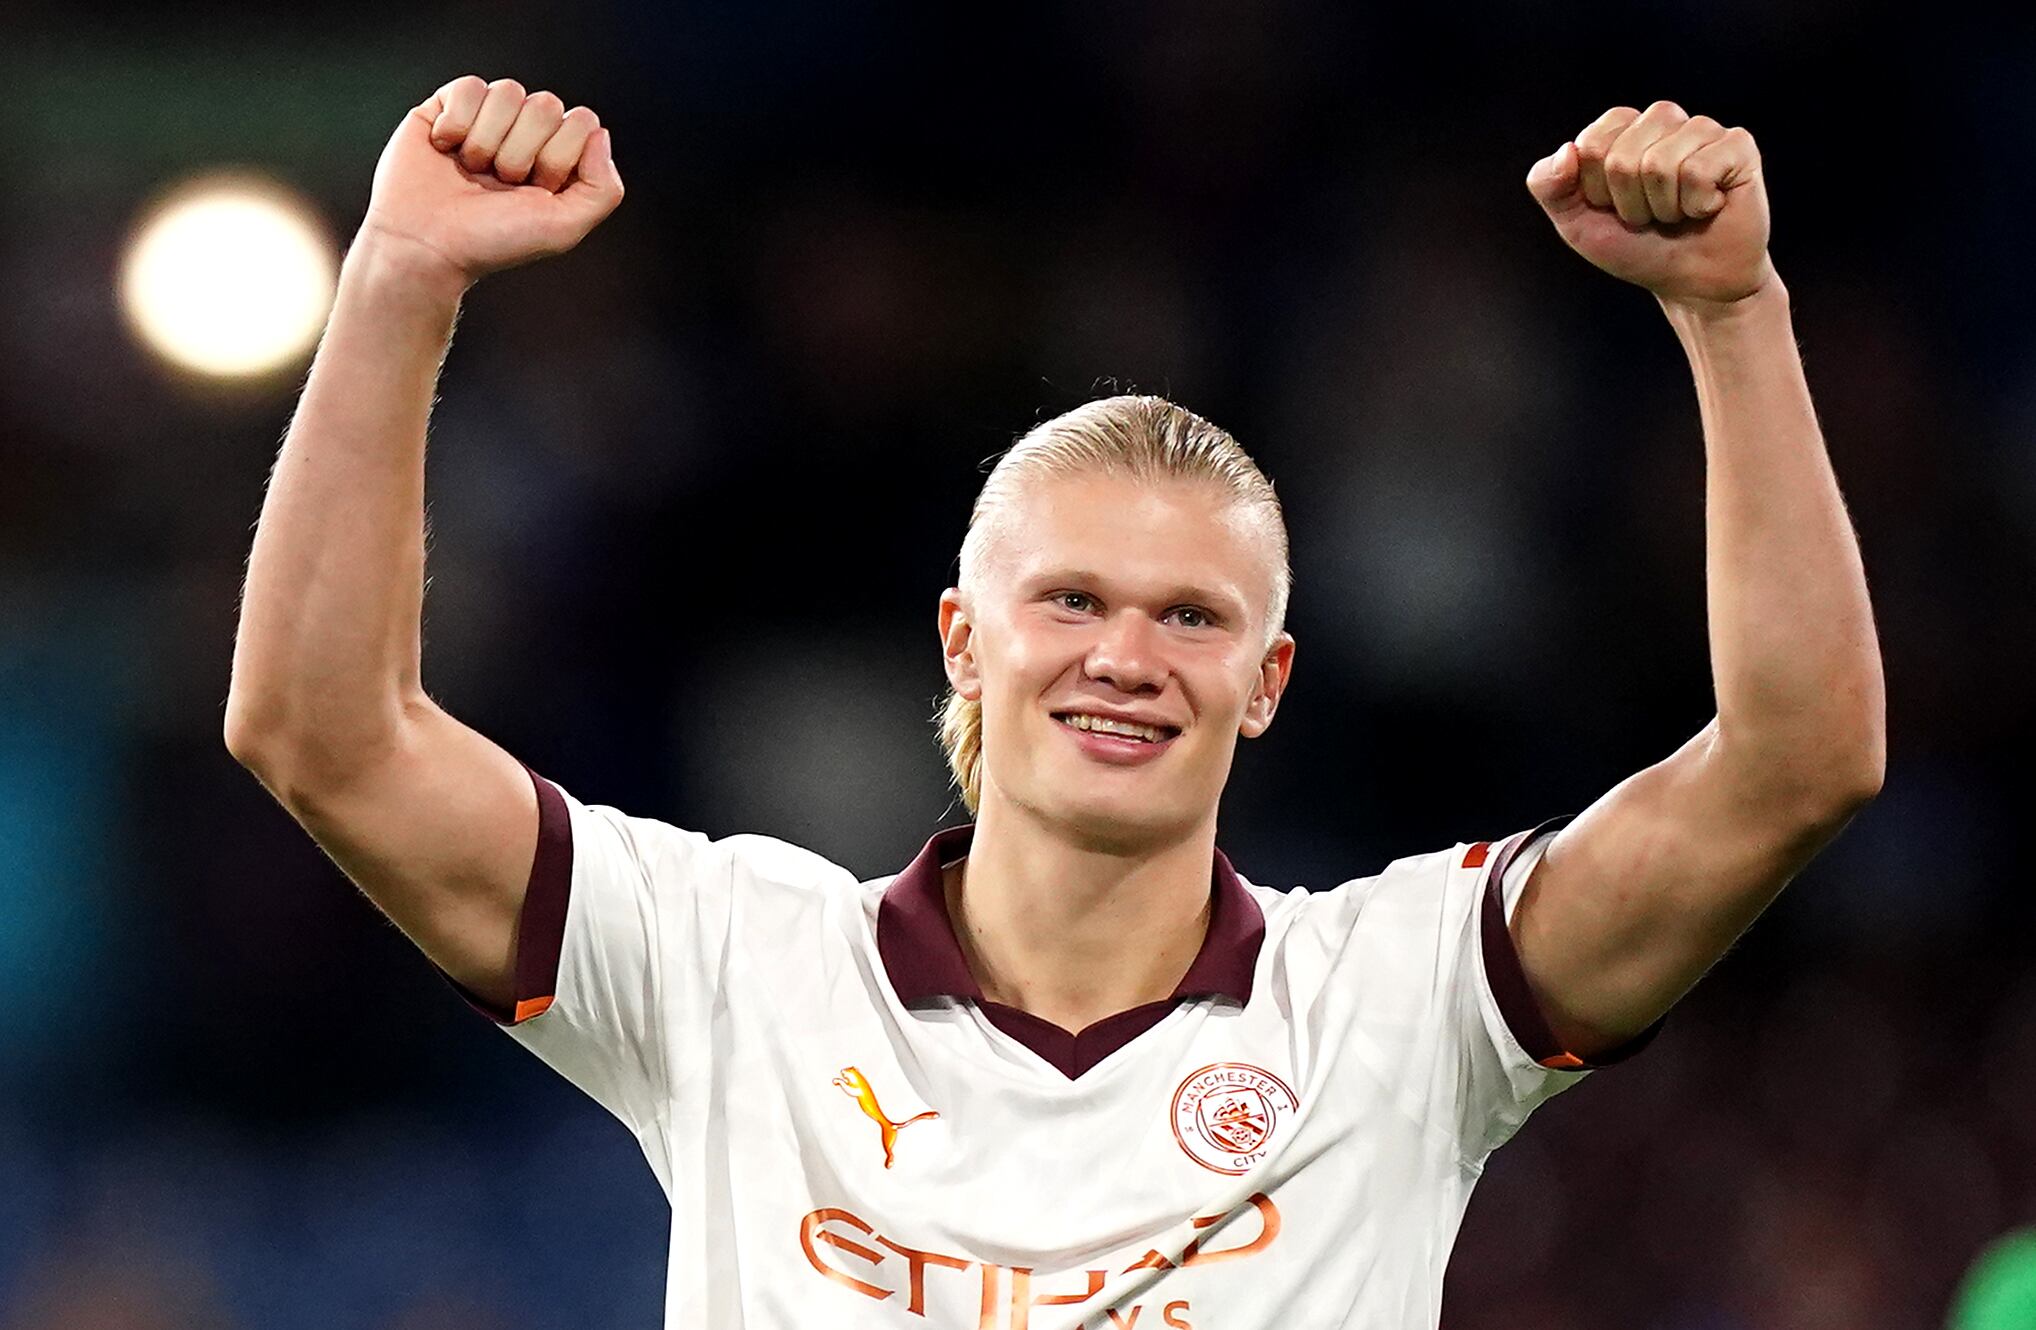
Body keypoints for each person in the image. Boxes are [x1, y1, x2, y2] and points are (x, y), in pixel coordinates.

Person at [224, 75, 1885, 1328]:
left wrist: (1732, 316)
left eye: (1191, 616)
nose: (1125, 654)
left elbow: (1797, 762)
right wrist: (399, 281)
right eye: (1072, 599)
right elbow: (321, 733)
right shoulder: (732, 964)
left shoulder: (1402, 999)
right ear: (962, 640)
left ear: (1268, 683)